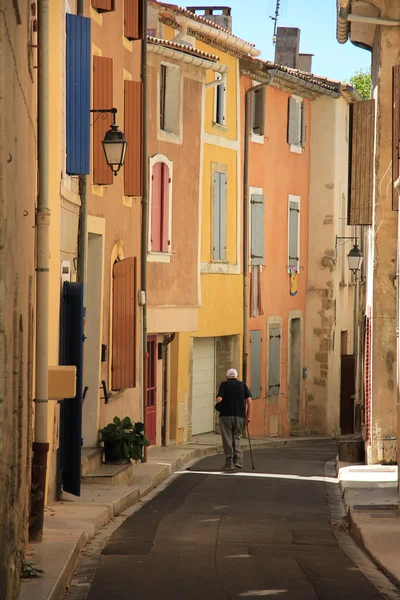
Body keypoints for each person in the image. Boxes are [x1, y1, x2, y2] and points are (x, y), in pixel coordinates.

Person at [215, 368, 252, 471]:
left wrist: (219, 401)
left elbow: (219, 399)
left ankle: (229, 462)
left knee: (227, 439)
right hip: (240, 416)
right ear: (236, 376)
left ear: (227, 377)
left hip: (226, 415)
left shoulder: (224, 384)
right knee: (237, 437)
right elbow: (249, 401)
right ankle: (238, 461)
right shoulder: (243, 385)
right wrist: (248, 417)